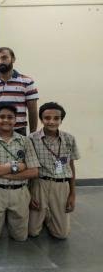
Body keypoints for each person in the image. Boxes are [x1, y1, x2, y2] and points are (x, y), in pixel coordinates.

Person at [0, 102, 40, 241]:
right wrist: (18, 167)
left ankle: (8, 221)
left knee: (20, 237)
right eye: (2, 117)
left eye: (10, 117)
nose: (6, 120)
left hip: (20, 192)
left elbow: (34, 171)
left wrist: (1, 172)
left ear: (15, 120)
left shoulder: (25, 141)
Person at [28, 102, 80, 239]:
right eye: (47, 118)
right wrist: (29, 194)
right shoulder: (31, 139)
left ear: (61, 119)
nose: (51, 121)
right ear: (41, 119)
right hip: (39, 184)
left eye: (56, 118)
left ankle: (49, 214)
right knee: (32, 232)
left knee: (61, 234)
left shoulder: (69, 139)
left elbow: (71, 166)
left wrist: (72, 194)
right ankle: (43, 214)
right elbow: (29, 168)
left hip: (61, 185)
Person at [0, 47, 38, 137]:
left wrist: (33, 134)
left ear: (13, 59)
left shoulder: (27, 82)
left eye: (4, 58)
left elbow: (33, 110)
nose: (0, 61)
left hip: (18, 131)